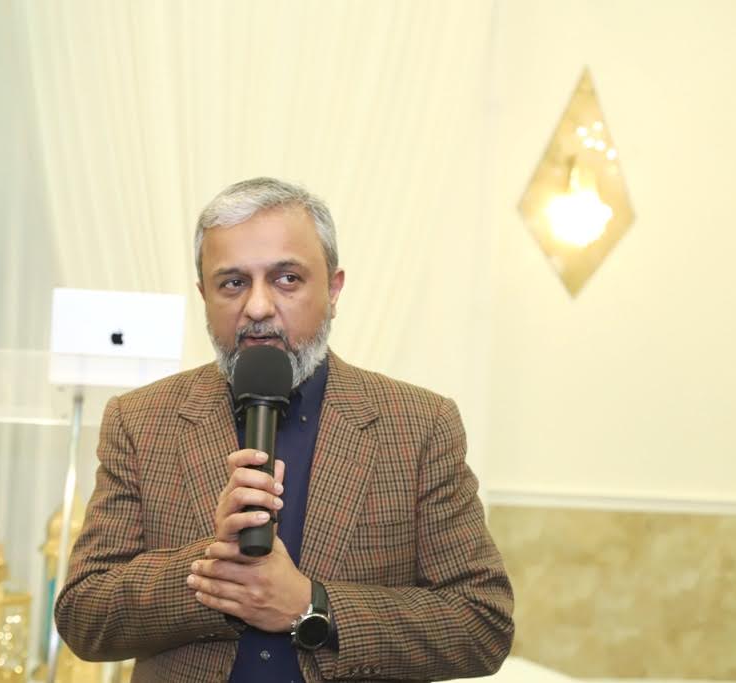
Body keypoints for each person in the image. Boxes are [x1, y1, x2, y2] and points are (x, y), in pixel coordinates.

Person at [55, 177, 515, 682]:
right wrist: (212, 568)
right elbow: (83, 615)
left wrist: (311, 606)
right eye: (233, 283)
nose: (257, 307)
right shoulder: (141, 420)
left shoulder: (419, 426)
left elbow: (481, 623)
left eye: (287, 279)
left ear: (333, 290)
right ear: (204, 295)